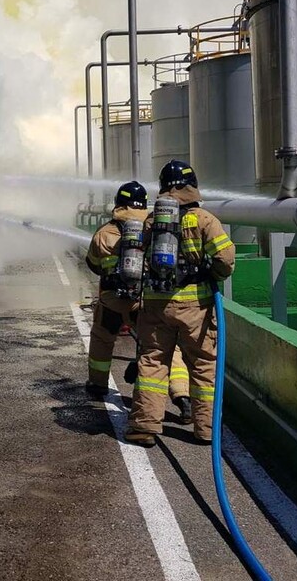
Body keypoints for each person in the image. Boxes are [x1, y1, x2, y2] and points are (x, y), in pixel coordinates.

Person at [124, 160, 235, 447]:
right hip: (195, 307)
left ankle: (144, 427)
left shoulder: (152, 220)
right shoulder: (204, 220)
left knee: (153, 363)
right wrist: (212, 273)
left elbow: (135, 254)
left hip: (157, 306)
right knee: (202, 366)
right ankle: (206, 429)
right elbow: (225, 260)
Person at [83, 181, 149, 398]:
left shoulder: (105, 233)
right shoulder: (153, 230)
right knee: (157, 344)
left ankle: (98, 383)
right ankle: (180, 393)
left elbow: (93, 264)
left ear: (119, 203)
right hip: (143, 300)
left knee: (102, 337)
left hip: (112, 299)